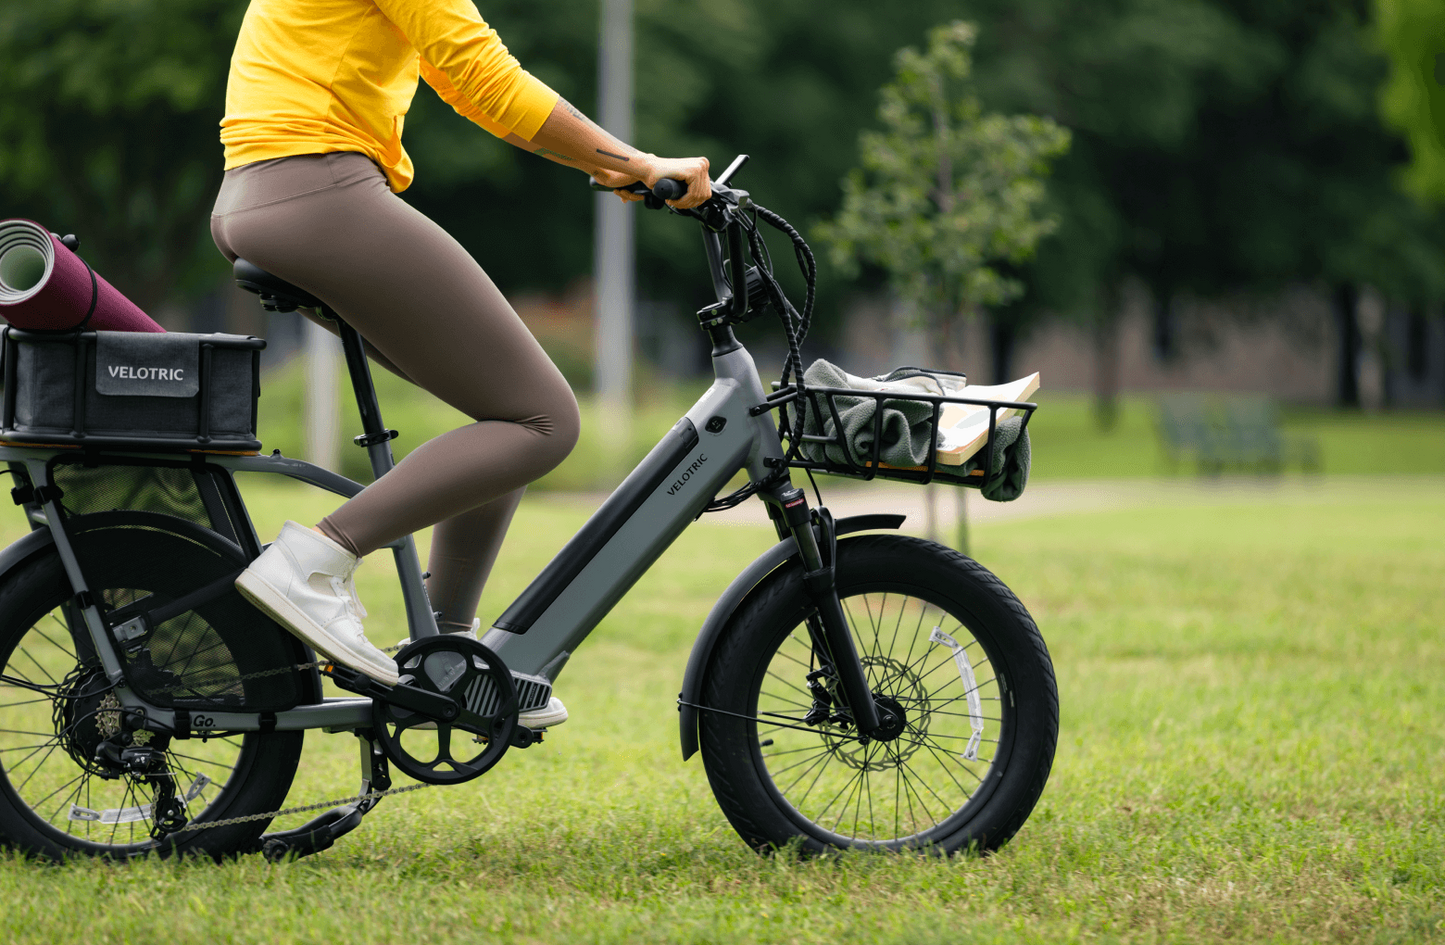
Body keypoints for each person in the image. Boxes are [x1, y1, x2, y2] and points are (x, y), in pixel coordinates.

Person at [211, 0, 711, 728]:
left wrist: (609, 165)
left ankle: (443, 661)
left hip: (261, 192)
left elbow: (461, 84)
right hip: (316, 187)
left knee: (505, 414)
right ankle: (313, 561)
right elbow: (485, 77)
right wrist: (636, 163)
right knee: (543, 420)